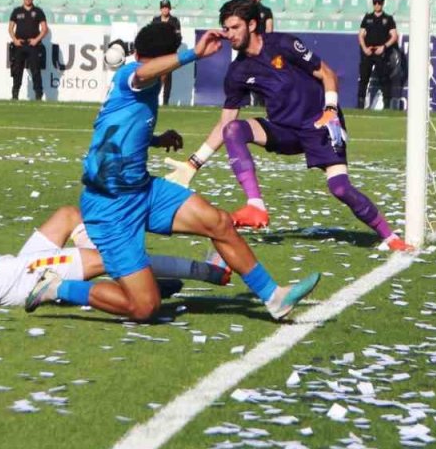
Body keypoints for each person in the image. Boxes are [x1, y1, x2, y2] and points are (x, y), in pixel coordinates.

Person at [25, 22, 321, 322]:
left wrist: (155, 139)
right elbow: (142, 73)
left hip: (142, 191)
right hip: (110, 207)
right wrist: (193, 54)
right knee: (145, 307)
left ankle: (274, 296)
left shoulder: (137, 86)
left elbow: (111, 131)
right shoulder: (133, 75)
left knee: (217, 222)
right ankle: (57, 287)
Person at [168, 0, 413, 252]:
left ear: (252, 25)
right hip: (284, 131)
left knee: (340, 188)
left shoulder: (284, 44)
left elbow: (327, 74)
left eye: (235, 27)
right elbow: (225, 123)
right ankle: (256, 205)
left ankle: (391, 237)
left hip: (321, 124)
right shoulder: (237, 72)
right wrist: (193, 163)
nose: (230, 35)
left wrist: (330, 109)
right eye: (226, 29)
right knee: (234, 130)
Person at [0, 159, 232, 305]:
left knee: (67, 215)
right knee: (111, 257)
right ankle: (208, 272)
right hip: (6, 277)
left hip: (5, 270)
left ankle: (132, 281)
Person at [356, 0, 399, 109]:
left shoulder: (388, 19)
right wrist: (365, 48)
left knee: (384, 79)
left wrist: (384, 47)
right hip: (368, 51)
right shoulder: (367, 18)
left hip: (381, 52)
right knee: (364, 78)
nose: (377, 5)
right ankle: (360, 106)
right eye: (375, 2)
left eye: (379, 2)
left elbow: (394, 36)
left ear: (383, 3)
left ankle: (387, 106)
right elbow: (361, 35)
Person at [8, 0, 48, 101]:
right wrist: (15, 40)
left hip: (33, 45)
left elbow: (44, 29)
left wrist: (36, 40)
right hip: (19, 45)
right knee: (17, 70)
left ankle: (38, 95)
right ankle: (15, 95)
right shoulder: (16, 11)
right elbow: (10, 28)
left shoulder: (38, 11)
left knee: (35, 70)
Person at [150, 0, 182, 105]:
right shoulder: (155, 20)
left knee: (167, 79)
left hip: (169, 53)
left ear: (170, 8)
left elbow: (178, 37)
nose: (165, 10)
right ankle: (153, 100)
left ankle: (165, 102)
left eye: (167, 7)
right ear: (160, 9)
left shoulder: (174, 21)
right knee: (155, 77)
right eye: (163, 7)